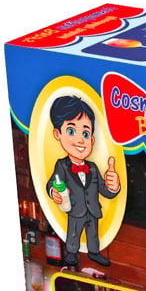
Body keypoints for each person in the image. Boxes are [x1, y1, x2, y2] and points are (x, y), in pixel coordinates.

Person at [46, 95, 120, 267]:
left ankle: (94, 252)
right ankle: (71, 253)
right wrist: (54, 191)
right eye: (71, 131)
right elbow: (52, 182)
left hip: (93, 209)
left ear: (92, 140)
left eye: (85, 134)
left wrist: (114, 186)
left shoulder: (93, 167)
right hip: (75, 208)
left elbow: (105, 190)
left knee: (93, 232)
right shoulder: (62, 165)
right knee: (74, 232)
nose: (80, 140)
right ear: (57, 133)